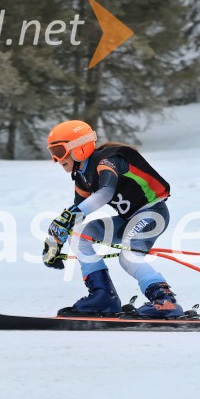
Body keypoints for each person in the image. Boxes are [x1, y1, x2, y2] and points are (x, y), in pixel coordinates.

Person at [42, 119, 184, 318]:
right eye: (52, 154)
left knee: (127, 257)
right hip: (127, 220)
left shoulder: (106, 161)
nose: (56, 160)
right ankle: (103, 297)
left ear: (78, 147)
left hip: (152, 214)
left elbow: (105, 194)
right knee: (80, 234)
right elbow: (77, 215)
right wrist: (54, 242)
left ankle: (165, 301)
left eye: (59, 151)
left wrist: (69, 216)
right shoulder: (82, 177)